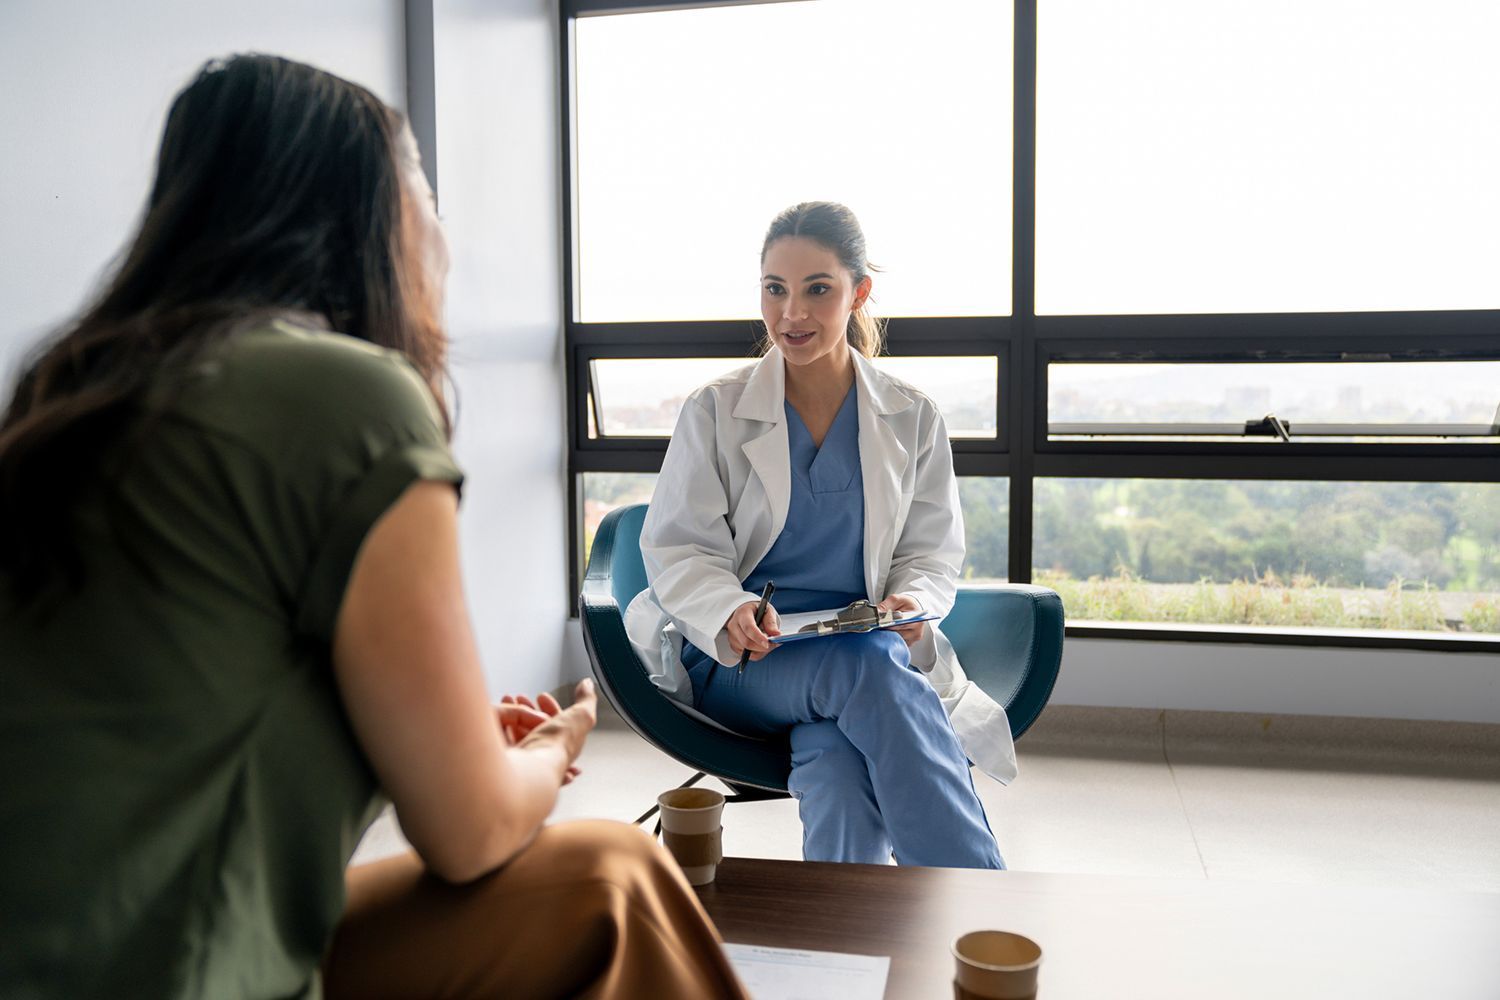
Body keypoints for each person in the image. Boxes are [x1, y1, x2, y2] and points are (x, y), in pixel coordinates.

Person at [0, 54, 748, 1000]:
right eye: (428, 195)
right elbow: (470, 834)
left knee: (613, 881)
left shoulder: (73, 397)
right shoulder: (344, 397)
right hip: (163, 969)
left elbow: (167, 722)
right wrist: (554, 751)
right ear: (371, 215)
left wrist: (446, 736)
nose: (441, 233)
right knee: (614, 875)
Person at [627, 202, 1017, 869]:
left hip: (866, 652)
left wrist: (908, 603)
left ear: (859, 292)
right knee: (866, 668)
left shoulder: (911, 414)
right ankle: (979, 907)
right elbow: (679, 547)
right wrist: (730, 608)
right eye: (774, 288)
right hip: (744, 660)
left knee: (835, 766)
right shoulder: (715, 410)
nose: (791, 313)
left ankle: (847, 949)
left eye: (817, 289)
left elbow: (931, 550)